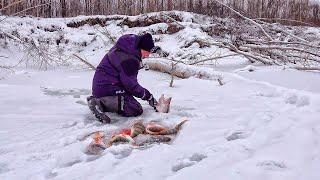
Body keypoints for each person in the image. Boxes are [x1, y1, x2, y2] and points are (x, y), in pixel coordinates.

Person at [87, 33, 161, 123]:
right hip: (107, 87)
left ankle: (101, 100)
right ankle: (100, 103)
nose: (148, 55)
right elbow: (131, 86)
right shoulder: (129, 59)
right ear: (141, 48)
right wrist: (148, 96)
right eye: (147, 52)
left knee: (130, 101)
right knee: (134, 109)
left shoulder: (126, 48)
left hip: (105, 86)